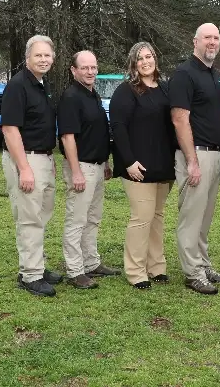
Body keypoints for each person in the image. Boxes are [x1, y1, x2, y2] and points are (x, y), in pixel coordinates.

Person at [167, 23, 220, 295]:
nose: (212, 42)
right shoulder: (184, 74)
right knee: (191, 216)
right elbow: (179, 119)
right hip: (196, 155)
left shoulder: (216, 76)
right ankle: (192, 272)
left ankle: (203, 264)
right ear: (195, 41)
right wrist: (192, 160)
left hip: (215, 154)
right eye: (207, 37)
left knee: (205, 216)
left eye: (216, 38)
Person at [109, 42, 177, 290]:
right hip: (138, 166)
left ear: (155, 59)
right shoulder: (126, 91)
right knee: (142, 217)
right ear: (133, 63)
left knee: (157, 217)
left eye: (149, 56)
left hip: (163, 166)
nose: (146, 61)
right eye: (140, 58)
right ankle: (136, 271)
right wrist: (128, 161)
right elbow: (118, 128)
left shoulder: (166, 89)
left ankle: (156, 266)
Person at [1, 35, 63, 297]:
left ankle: (36, 265)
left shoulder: (42, 84)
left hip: (43, 158)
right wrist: (24, 168)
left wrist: (50, 161)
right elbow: (10, 129)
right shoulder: (18, 86)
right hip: (25, 158)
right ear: (27, 58)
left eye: (47, 55)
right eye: (38, 55)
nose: (43, 59)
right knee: (29, 218)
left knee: (41, 216)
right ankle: (30, 276)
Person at [58, 50, 122, 289]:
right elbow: (68, 137)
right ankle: (75, 270)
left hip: (96, 165)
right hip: (81, 166)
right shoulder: (71, 97)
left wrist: (105, 161)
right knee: (77, 219)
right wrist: (75, 171)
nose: (90, 71)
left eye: (93, 67)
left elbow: (98, 132)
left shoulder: (92, 94)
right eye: (84, 68)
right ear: (74, 70)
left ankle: (91, 262)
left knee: (92, 218)